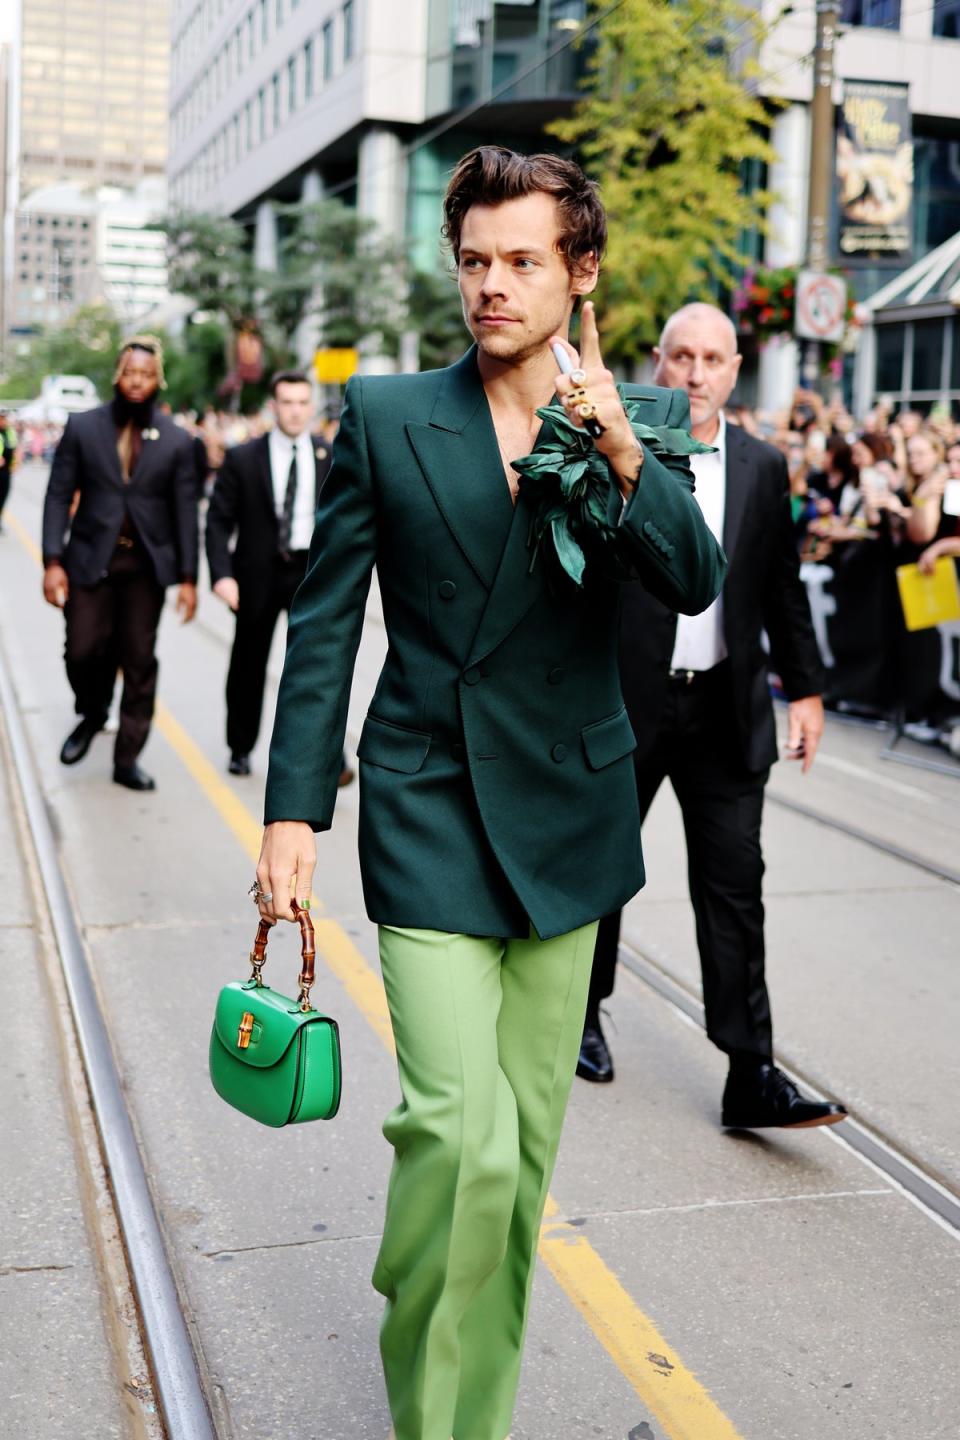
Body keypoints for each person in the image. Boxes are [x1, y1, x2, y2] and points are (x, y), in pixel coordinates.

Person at [252, 147, 725, 1440]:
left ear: (581, 273)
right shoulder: (393, 416)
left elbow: (693, 577)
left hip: (571, 820)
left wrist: (628, 452)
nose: (492, 286)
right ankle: (426, 1393)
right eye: (474, 261)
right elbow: (327, 623)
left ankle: (477, 1420)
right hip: (428, 801)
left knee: (516, 1174)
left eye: (522, 261)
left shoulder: (640, 424)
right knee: (454, 1138)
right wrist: (296, 809)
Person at [579, 302, 847, 1133]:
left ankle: (750, 1071)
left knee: (735, 888)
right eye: (682, 357)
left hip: (726, 706)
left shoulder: (766, 467)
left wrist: (805, 689)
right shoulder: (619, 451)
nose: (696, 374)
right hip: (628, 700)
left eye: (713, 360)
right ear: (658, 363)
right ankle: (581, 1016)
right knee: (604, 872)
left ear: (736, 372)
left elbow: (778, 587)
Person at [41, 336, 198, 791]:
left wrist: (189, 578)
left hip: (145, 568)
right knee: (82, 650)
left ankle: (127, 758)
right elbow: (56, 494)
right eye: (130, 372)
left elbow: (186, 511)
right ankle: (91, 712)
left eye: (147, 375)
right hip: (89, 559)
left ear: (158, 379)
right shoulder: (82, 427)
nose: (137, 381)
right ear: (117, 373)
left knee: (138, 660)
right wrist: (53, 559)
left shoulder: (176, 440)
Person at [205, 370, 338, 777]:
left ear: (311, 407)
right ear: (273, 406)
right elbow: (217, 521)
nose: (295, 412)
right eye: (287, 402)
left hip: (308, 574)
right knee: (248, 663)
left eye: (302, 403)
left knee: (316, 668)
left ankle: (327, 754)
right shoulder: (244, 457)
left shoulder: (329, 455)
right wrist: (222, 575)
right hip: (257, 574)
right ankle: (240, 747)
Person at [0, 409, 17, 530]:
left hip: (6, 471)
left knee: (3, 496)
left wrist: (16, 462)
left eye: (4, 418)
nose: (3, 420)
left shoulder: (9, 431)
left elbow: (14, 447)